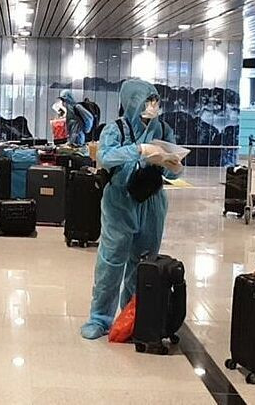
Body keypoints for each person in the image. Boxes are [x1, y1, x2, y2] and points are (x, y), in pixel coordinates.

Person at [80, 79, 183, 340]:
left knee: (143, 262)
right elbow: (105, 157)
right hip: (120, 201)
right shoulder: (116, 129)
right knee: (111, 261)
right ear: (132, 102)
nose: (153, 106)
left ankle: (132, 316)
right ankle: (99, 317)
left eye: (156, 100)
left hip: (152, 202)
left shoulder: (164, 129)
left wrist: (173, 163)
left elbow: (176, 164)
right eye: (147, 100)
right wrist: (138, 150)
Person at [55, 89, 94, 155]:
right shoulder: (66, 110)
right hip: (70, 141)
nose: (63, 102)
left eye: (64, 100)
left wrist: (86, 129)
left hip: (78, 140)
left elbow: (89, 118)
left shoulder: (77, 107)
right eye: (62, 100)